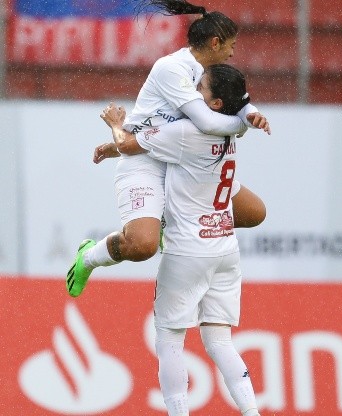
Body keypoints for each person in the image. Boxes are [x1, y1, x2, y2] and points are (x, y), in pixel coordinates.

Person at [66, 0, 270, 297]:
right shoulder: (171, 69)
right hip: (145, 159)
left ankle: (171, 220)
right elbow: (206, 121)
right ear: (215, 43)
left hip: (183, 161)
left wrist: (249, 114)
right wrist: (242, 125)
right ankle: (88, 256)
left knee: (254, 213)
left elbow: (235, 99)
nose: (233, 52)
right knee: (141, 246)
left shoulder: (210, 72)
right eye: (231, 45)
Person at [99, 64, 261, 416]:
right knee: (219, 342)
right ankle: (252, 412)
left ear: (216, 103)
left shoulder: (187, 131)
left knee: (170, 340)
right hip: (225, 248)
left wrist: (114, 123)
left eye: (200, 89)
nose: (192, 95)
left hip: (189, 250)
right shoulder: (234, 128)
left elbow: (129, 144)